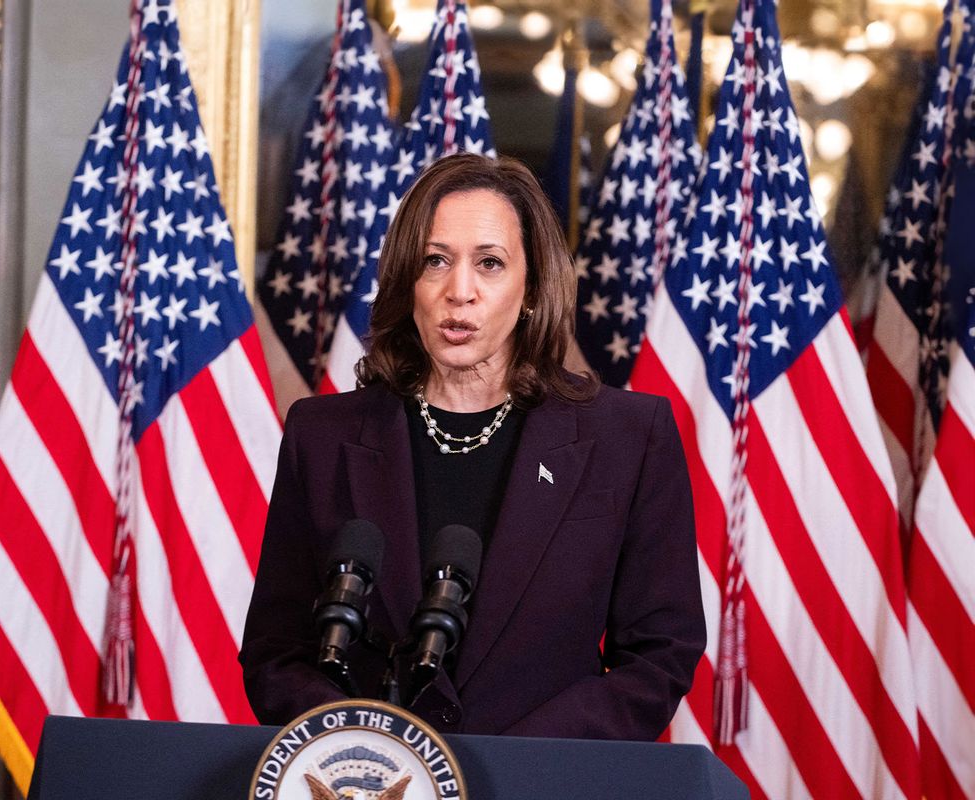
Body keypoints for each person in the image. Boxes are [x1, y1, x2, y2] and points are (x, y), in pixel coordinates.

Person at [239, 153, 705, 740]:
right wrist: (371, 751)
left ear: (532, 287)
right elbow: (277, 652)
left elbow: (660, 655)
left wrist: (510, 771)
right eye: (435, 261)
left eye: (490, 263)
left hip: (543, 786)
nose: (460, 292)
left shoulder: (627, 436)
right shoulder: (322, 434)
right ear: (407, 279)